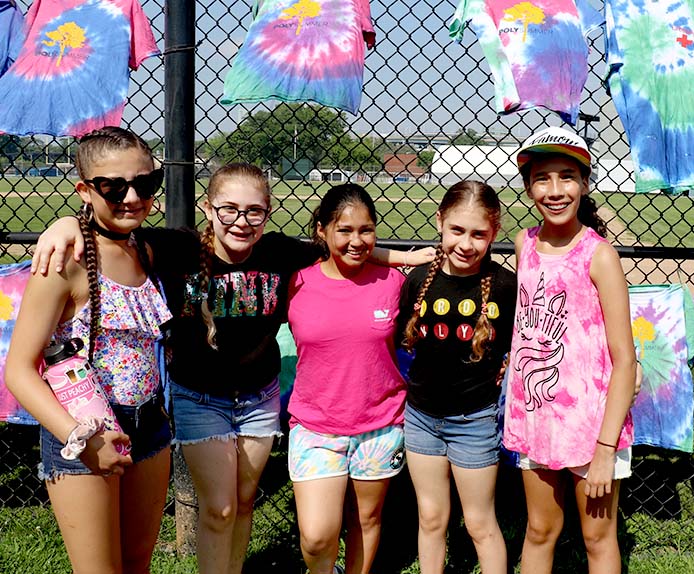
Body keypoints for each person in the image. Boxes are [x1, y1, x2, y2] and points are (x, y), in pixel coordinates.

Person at [31, 165, 433, 574]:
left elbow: (347, 244)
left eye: (253, 212)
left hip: (259, 397)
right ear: (207, 209)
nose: (241, 222)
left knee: (243, 502)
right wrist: (67, 223)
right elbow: (114, 234)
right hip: (200, 397)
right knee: (220, 509)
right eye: (229, 210)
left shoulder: (278, 252)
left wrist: (407, 257)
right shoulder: (180, 248)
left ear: (268, 212)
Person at [6, 127, 173, 573]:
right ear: (84, 189)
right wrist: (81, 438)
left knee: (138, 563)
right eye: (113, 186)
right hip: (82, 430)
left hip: (150, 424)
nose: (132, 197)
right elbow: (19, 370)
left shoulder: (147, 248)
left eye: (146, 183)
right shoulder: (64, 262)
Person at [503, 126, 636, 574]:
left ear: (584, 183)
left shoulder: (599, 257)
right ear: (527, 187)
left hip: (593, 427)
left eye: (567, 177)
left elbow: (624, 360)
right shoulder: (524, 244)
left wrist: (604, 448)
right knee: (539, 530)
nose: (555, 190)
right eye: (543, 178)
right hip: (537, 418)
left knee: (597, 537)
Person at [286, 184, 408, 574]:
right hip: (316, 426)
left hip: (381, 424)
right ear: (321, 230)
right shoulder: (297, 281)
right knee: (317, 536)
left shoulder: (393, 282)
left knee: (366, 520)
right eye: (345, 230)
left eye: (366, 230)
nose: (357, 241)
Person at [398, 181, 515, 573]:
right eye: (457, 231)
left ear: (494, 232)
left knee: (480, 523)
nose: (466, 243)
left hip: (475, 421)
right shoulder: (417, 281)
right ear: (440, 223)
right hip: (421, 419)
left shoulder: (504, 285)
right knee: (431, 519)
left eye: (479, 234)